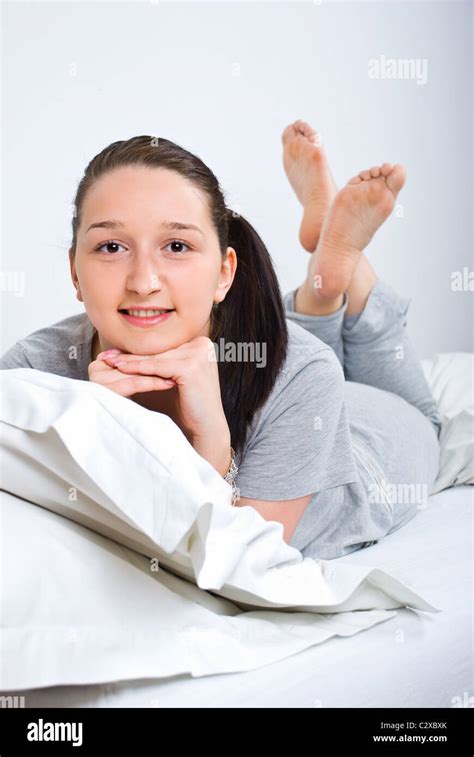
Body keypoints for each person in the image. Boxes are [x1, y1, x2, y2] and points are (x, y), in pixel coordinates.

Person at [0, 121, 441, 560]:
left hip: (370, 441)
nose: (144, 282)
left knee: (431, 423)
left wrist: (211, 439)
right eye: (112, 247)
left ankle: (330, 286)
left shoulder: (304, 376)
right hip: (290, 376)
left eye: (176, 246)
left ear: (225, 273)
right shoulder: (32, 374)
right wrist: (98, 422)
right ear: (75, 272)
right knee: (289, 342)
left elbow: (235, 563)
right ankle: (322, 289)